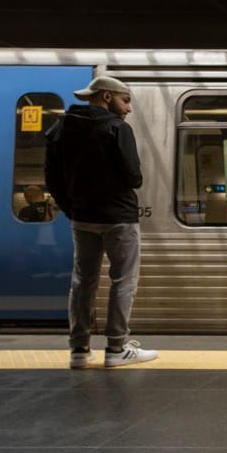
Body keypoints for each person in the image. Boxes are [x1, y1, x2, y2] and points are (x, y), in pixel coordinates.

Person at [45, 76, 158, 369]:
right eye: (126, 100)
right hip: (118, 217)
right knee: (124, 280)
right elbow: (134, 177)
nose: (129, 108)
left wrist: (71, 208)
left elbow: (52, 178)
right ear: (106, 97)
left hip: (82, 218)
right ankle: (116, 348)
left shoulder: (61, 128)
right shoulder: (117, 128)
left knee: (82, 281)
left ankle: (79, 350)